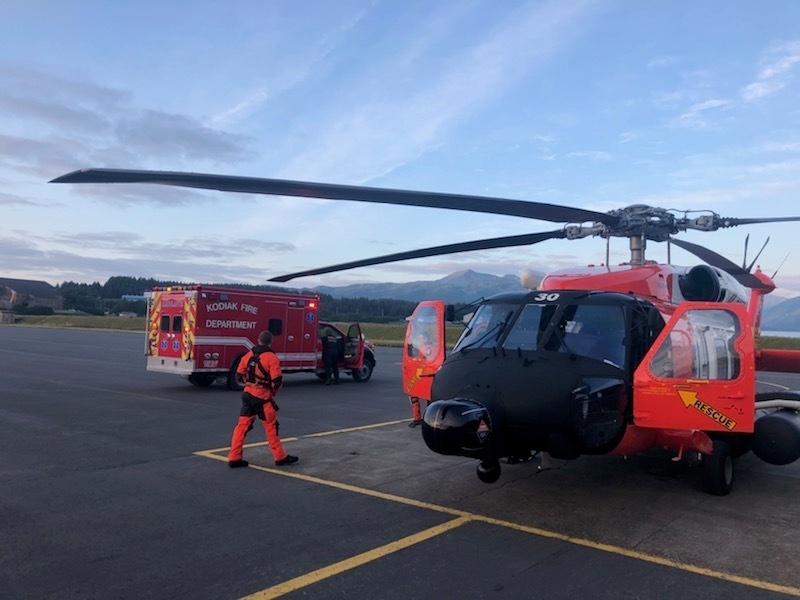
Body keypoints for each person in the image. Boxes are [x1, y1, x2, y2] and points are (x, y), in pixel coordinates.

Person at [228, 330, 298, 468]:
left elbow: (238, 374)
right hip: (263, 398)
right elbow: (277, 381)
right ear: (270, 342)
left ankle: (234, 457)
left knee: (242, 427)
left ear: (258, 340)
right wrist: (272, 392)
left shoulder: (248, 355)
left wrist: (248, 384)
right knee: (271, 427)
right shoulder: (271, 358)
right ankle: (280, 457)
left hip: (248, 395)